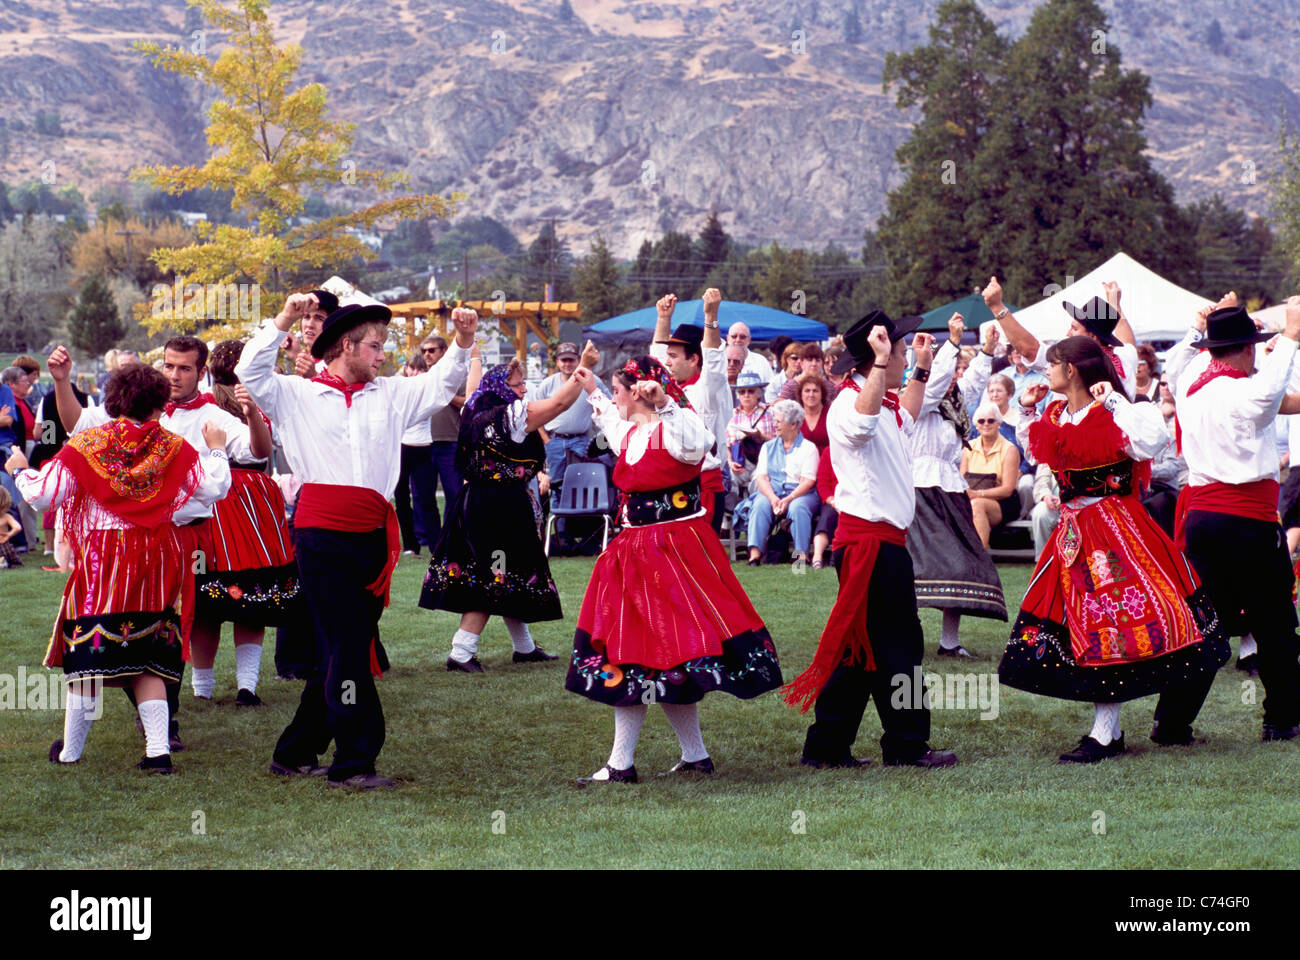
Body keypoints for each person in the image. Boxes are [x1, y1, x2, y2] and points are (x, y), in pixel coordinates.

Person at [237, 295, 474, 789]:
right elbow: (250, 368)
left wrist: (463, 341)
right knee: (348, 646)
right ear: (346, 346)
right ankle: (354, 762)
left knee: (339, 648)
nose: (382, 353)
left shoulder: (389, 392)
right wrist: (283, 317)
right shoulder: (295, 393)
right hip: (321, 534)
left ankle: (296, 750)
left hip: (370, 535)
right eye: (374, 345)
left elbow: (441, 383)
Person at [999, 336, 1230, 763]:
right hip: (1072, 531)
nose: (1045, 372)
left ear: (1073, 370)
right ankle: (1110, 730)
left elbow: (1151, 442)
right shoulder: (1056, 412)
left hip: (1113, 528)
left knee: (1110, 621)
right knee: (1082, 622)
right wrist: (1028, 410)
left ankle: (1106, 733)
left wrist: (1115, 405)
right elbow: (1040, 452)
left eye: (1052, 364)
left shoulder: (1119, 410)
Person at [565, 356, 781, 783]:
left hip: (673, 553)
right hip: (635, 553)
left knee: (639, 652)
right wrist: (592, 389)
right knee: (660, 657)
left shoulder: (674, 429)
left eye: (619, 390)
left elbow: (701, 440)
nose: (615, 398)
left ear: (639, 392)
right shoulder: (630, 433)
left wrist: (665, 402)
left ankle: (621, 765)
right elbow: (610, 417)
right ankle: (694, 756)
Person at [7, 364, 231, 772]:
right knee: (146, 653)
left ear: (113, 399)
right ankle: (158, 752)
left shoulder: (87, 445)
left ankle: (72, 752)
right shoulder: (173, 446)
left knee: (89, 655)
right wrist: (216, 448)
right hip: (157, 556)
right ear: (160, 403)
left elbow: (44, 496)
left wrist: (20, 469)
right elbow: (214, 487)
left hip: (103, 560)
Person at [785, 310, 957, 769]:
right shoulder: (848, 405)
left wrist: (922, 364)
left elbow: (911, 411)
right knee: (899, 643)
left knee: (861, 648)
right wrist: (883, 363)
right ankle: (904, 745)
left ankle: (827, 746)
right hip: (871, 545)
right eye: (899, 351)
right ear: (876, 358)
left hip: (881, 544)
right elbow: (861, 427)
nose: (902, 359)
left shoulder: (884, 402)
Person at [1164, 295, 1300, 743]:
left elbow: (1175, 366)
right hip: (1248, 520)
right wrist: (1292, 332)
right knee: (1275, 622)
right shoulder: (1244, 391)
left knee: (1206, 623)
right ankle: (1281, 718)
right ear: (1245, 349)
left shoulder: (1191, 385)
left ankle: (1172, 721)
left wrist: (1197, 326)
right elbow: (1268, 392)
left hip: (1204, 520)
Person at [421, 351, 593, 673]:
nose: (524, 391)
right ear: (501, 391)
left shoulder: (476, 409)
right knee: (492, 575)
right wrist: (584, 369)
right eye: (517, 386)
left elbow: (474, 386)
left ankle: (524, 647)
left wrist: (473, 355)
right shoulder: (510, 416)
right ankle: (461, 652)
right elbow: (557, 405)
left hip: (476, 500)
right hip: (500, 504)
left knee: (510, 570)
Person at [192, 339, 306, 707]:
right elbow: (265, 448)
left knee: (207, 598)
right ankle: (246, 686)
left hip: (216, 498)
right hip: (251, 498)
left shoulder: (207, 404)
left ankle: (203, 688)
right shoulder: (253, 400)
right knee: (251, 593)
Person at [908, 314, 1006, 660]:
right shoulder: (918, 402)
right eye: (946, 372)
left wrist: (988, 351)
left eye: (953, 372)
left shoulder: (954, 403)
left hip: (950, 489)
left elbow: (975, 382)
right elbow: (933, 386)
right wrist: (950, 344)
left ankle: (949, 641)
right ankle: (908, 635)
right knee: (917, 567)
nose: (952, 379)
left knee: (962, 561)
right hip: (920, 490)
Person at [650, 289, 732, 532]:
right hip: (672, 484)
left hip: (703, 485)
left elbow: (714, 357)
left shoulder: (710, 388)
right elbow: (656, 360)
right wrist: (663, 319)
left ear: (694, 359)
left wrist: (711, 315)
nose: (668, 362)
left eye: (674, 356)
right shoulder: (671, 388)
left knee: (702, 563)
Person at [982, 276, 1140, 401]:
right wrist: (1114, 304)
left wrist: (998, 308)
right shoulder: (1124, 358)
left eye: (1074, 328)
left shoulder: (1068, 364)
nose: (1068, 333)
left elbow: (1028, 350)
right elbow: (1127, 341)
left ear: (1092, 337)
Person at [742, 399, 820, 566]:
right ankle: (755, 555)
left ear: (793, 424)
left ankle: (801, 556)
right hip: (773, 491)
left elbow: (808, 481)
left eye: (778, 421)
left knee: (798, 507)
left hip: (801, 492)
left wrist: (788, 499)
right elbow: (761, 477)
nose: (774, 425)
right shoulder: (767, 447)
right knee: (760, 504)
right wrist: (772, 498)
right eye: (774, 421)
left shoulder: (808, 448)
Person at [531, 340, 606, 490]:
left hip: (580, 440)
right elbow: (535, 414)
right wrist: (546, 440)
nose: (567, 364)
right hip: (554, 441)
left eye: (571, 360)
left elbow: (607, 404)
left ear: (578, 360)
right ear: (557, 362)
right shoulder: (547, 384)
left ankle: (580, 514)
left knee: (581, 484)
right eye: (563, 360)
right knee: (556, 485)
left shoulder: (592, 380)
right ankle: (558, 513)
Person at [419, 335, 465, 548]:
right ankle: (431, 541)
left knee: (453, 494)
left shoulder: (457, 376)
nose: (427, 354)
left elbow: (469, 402)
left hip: (451, 442)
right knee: (423, 497)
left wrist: (446, 394)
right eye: (424, 351)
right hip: (423, 443)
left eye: (432, 350)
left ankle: (452, 537)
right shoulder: (422, 378)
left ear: (444, 351)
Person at [394, 352, 440, 556]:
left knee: (427, 499)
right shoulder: (397, 388)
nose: (415, 372)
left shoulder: (429, 390)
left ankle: (436, 546)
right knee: (402, 498)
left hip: (423, 447)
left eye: (420, 369)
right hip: (401, 448)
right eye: (412, 368)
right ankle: (410, 545)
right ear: (406, 369)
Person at [961, 401, 1022, 546]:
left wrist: (977, 494)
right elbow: (961, 481)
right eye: (981, 421)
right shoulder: (968, 448)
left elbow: (1007, 489)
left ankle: (981, 556)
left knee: (976, 505)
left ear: (998, 423)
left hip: (1003, 503)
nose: (986, 424)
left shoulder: (1009, 449)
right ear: (977, 425)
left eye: (991, 420)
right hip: (972, 499)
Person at [725, 371, 774, 500]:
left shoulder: (770, 412)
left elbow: (779, 442)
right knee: (727, 478)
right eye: (742, 392)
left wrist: (761, 437)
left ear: (758, 394)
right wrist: (730, 462)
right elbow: (726, 444)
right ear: (738, 395)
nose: (746, 395)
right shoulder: (732, 415)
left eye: (751, 391)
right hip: (739, 462)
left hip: (762, 462)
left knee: (760, 480)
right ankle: (733, 511)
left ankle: (752, 509)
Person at [1029, 463, 1061, 559]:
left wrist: (1067, 496)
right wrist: (1046, 495)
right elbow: (1041, 480)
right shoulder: (1049, 450)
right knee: (1040, 513)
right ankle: (1043, 561)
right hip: (1054, 503)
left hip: (1081, 501)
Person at [794, 373, 831, 454]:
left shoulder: (831, 414)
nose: (811, 395)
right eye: (807, 391)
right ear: (801, 394)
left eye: (815, 391)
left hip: (827, 462)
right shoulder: (795, 416)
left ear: (822, 394)